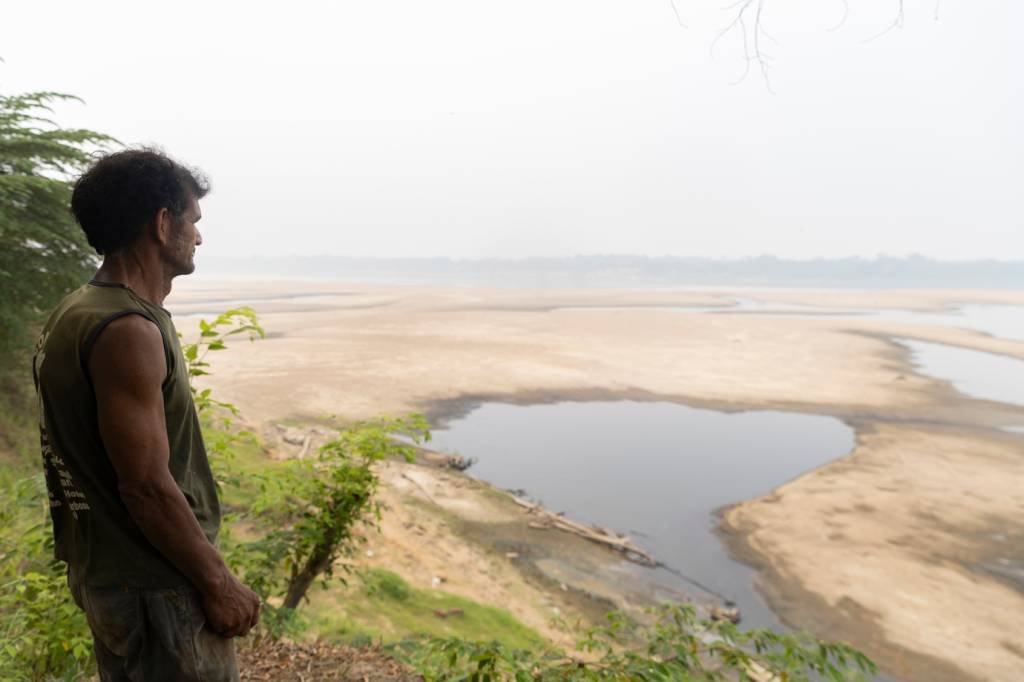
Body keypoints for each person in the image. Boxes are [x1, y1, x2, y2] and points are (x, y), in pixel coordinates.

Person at [32, 148, 260, 681]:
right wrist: (219, 583)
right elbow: (146, 486)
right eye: (193, 221)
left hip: (120, 578)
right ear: (162, 224)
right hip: (155, 586)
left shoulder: (79, 309)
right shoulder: (128, 330)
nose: (199, 237)